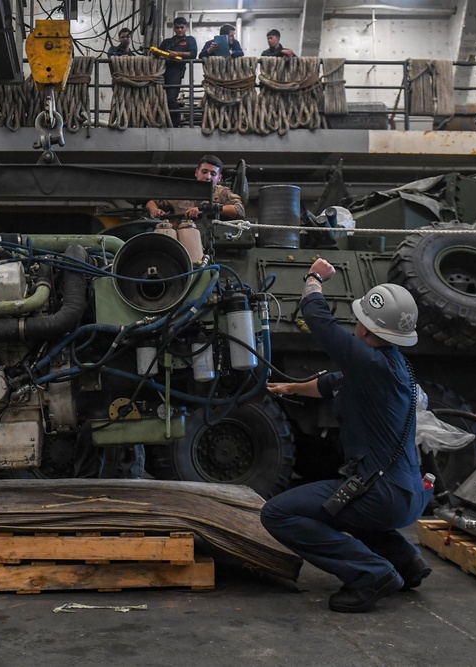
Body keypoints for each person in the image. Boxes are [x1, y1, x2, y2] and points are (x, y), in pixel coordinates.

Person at [261, 259, 432, 613]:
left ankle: (371, 573)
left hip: (381, 495)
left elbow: (319, 321)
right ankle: (405, 561)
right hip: (408, 493)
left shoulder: (368, 360)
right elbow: (330, 384)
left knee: (278, 513)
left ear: (366, 329)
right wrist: (290, 386)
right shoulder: (389, 364)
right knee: (341, 508)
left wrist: (313, 279)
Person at [146, 155, 244, 221]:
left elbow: (239, 210)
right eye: (204, 172)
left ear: (219, 178)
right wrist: (154, 210)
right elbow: (152, 202)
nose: (208, 177)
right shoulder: (181, 192)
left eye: (213, 174)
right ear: (197, 172)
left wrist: (208, 208)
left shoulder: (222, 193)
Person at [157, 17, 198, 127]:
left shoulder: (189, 40)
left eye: (182, 27)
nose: (179, 30)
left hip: (176, 71)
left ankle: (175, 124)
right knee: (159, 97)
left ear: (186, 28)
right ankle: (161, 122)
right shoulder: (167, 42)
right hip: (161, 71)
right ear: (174, 29)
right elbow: (157, 54)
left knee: (171, 98)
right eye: (177, 27)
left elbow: (193, 54)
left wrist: (177, 54)